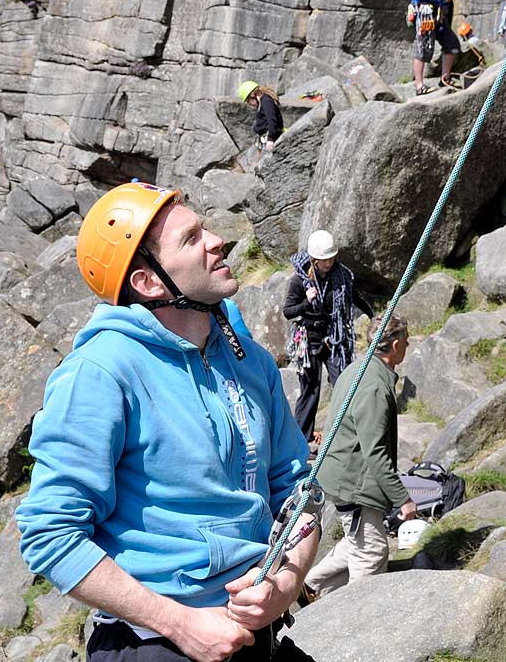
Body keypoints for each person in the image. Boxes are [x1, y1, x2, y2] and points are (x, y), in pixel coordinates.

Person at [16, 182, 317, 662]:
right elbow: (50, 534)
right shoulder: (102, 372)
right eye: (192, 238)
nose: (217, 240)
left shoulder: (247, 357)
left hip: (253, 632)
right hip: (157, 644)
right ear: (150, 282)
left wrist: (286, 581)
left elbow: (297, 489)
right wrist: (182, 624)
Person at [305, 314, 416, 595]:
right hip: (353, 482)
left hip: (338, 475)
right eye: (405, 340)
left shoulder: (359, 368)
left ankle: (310, 586)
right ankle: (356, 625)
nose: (408, 344)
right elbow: (375, 450)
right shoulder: (375, 385)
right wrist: (402, 499)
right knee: (372, 554)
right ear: (394, 344)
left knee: (360, 538)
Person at [283, 230, 375, 444]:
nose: (329, 263)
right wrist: (306, 303)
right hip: (308, 339)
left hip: (334, 339)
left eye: (332, 258)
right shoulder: (299, 281)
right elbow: (288, 311)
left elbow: (355, 297)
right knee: (310, 389)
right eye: (324, 260)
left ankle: (349, 432)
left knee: (343, 381)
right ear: (314, 260)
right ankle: (301, 439)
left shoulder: (340, 275)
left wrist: (373, 316)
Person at [409, 0, 462, 96]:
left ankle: (444, 78)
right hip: (424, 11)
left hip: (436, 12)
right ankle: (419, 86)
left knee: (451, 43)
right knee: (424, 47)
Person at [237, 81, 283, 152]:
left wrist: (270, 139)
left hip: (270, 139)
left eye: (248, 101)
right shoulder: (263, 101)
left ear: (253, 96)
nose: (249, 104)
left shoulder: (266, 101)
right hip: (265, 138)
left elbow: (272, 120)